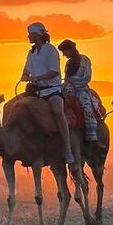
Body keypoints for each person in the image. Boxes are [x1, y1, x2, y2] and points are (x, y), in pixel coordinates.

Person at [21, 22, 74, 164]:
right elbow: (26, 69)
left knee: (58, 110)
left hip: (51, 90)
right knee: (15, 106)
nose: (28, 36)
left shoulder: (50, 50)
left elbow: (54, 72)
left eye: (30, 34)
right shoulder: (31, 52)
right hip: (35, 91)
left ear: (38, 35)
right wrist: (25, 75)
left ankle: (67, 148)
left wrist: (38, 77)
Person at [58, 39, 101, 146]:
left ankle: (92, 137)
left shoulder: (85, 60)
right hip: (66, 88)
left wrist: (72, 83)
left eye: (64, 52)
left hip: (81, 89)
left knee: (87, 108)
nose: (64, 55)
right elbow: (67, 77)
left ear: (70, 50)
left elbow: (87, 77)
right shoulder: (68, 63)